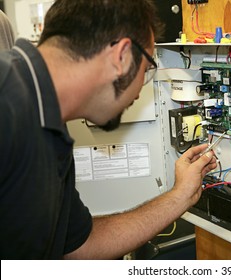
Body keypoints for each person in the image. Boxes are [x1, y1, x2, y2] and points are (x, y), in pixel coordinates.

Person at [0, 0, 216, 259]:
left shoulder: (51, 127)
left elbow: (79, 245)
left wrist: (180, 196)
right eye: (147, 70)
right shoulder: (8, 101)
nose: (139, 91)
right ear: (122, 56)